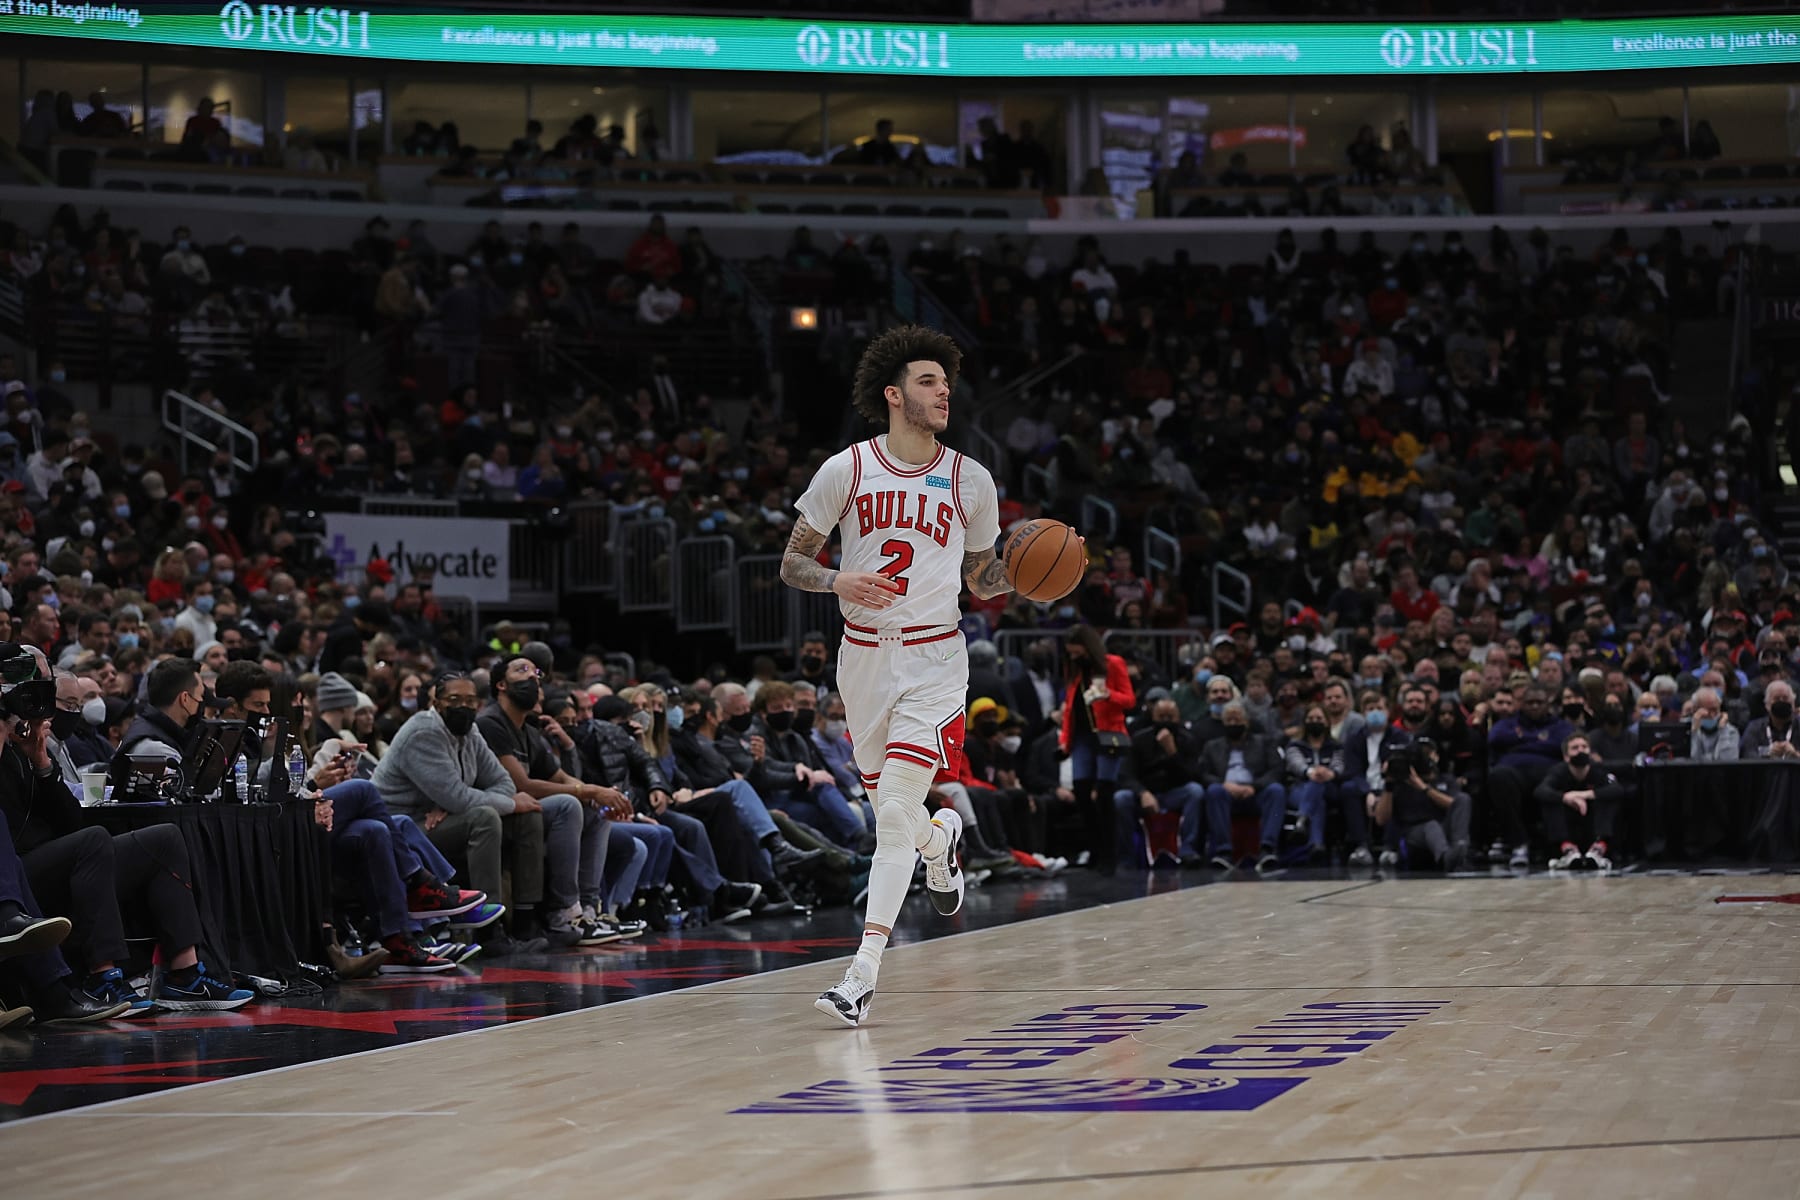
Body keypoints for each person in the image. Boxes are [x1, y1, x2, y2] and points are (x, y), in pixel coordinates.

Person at [782, 324, 1010, 1028]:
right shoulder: (846, 470)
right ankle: (941, 844)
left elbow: (984, 578)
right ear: (893, 393)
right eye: (928, 381)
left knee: (889, 819)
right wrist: (838, 579)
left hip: (935, 658)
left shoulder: (970, 480)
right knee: (900, 817)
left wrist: (1030, 577)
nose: (944, 393)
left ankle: (862, 974)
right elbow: (793, 563)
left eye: (947, 382)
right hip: (863, 660)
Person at [477, 654, 630, 947]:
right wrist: (588, 791)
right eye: (521, 670)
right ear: (501, 684)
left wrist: (598, 794)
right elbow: (520, 785)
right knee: (567, 805)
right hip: (496, 812)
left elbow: (560, 776)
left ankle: (588, 909)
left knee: (597, 811)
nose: (532, 676)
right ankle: (563, 913)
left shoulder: (528, 730)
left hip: (525, 810)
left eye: (536, 673)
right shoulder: (490, 723)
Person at [1059, 623, 1135, 865]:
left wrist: (1108, 695)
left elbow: (1129, 700)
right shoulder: (1074, 670)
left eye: (1077, 651)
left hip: (1108, 734)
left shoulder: (1113, 664)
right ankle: (1095, 849)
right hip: (1082, 737)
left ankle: (1108, 854)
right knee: (1081, 791)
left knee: (1104, 793)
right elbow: (1070, 710)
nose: (1074, 656)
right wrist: (1064, 741)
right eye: (1071, 652)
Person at [1112, 696, 1204, 866]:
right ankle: (1126, 857)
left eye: (1170, 717)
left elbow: (1193, 775)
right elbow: (1125, 774)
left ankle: (1188, 850)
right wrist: (1142, 793)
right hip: (1146, 793)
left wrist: (1172, 752)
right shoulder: (1139, 739)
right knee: (1121, 798)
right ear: (1153, 717)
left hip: (1174, 792)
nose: (1166, 721)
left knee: (1195, 791)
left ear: (1178, 718)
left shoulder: (1188, 739)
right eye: (1161, 717)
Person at [1199, 701, 1287, 873]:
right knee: (1214, 791)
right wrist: (1224, 784)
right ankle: (1224, 852)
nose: (1233, 724)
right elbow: (1203, 773)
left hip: (1256, 793)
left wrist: (1254, 787)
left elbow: (1277, 770)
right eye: (1229, 720)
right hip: (1226, 792)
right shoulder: (1212, 746)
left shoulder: (1264, 742)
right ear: (1223, 723)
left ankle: (1267, 849)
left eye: (1237, 720)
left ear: (1246, 722)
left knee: (1277, 790)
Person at [1373, 738, 1472, 871]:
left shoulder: (1446, 779)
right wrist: (1389, 783)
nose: (1425, 758)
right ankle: (1446, 857)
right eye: (1421, 754)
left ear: (1437, 756)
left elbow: (1454, 806)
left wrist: (1424, 788)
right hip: (1414, 832)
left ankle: (1459, 848)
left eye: (1428, 753)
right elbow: (1381, 819)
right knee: (1431, 826)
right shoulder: (1400, 782)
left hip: (1445, 827)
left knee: (1463, 798)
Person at [1533, 732, 1623, 872]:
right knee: (1550, 801)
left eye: (1584, 747)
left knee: (1608, 798)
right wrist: (1565, 797)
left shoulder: (1598, 770)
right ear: (1566, 756)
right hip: (1568, 824)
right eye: (1575, 748)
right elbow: (1541, 790)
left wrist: (1584, 795)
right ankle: (1568, 849)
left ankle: (1598, 849)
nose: (1581, 751)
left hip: (1593, 824)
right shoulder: (1559, 771)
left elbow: (1617, 789)